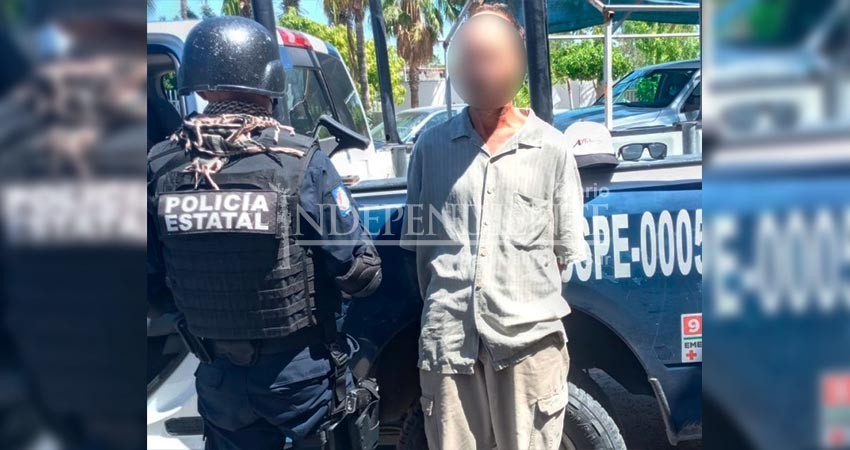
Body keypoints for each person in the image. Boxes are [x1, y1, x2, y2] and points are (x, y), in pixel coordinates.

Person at [147, 17, 382, 450]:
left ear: (201, 88)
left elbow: (154, 286)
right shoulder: (298, 162)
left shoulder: (160, 167)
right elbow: (360, 275)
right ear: (269, 84)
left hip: (219, 377)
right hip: (299, 378)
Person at [400, 4, 589, 450]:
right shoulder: (430, 148)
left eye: (492, 57)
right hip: (449, 344)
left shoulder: (551, 149)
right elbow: (420, 249)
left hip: (528, 344)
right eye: (471, 59)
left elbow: (562, 256)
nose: (481, 70)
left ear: (515, 63)